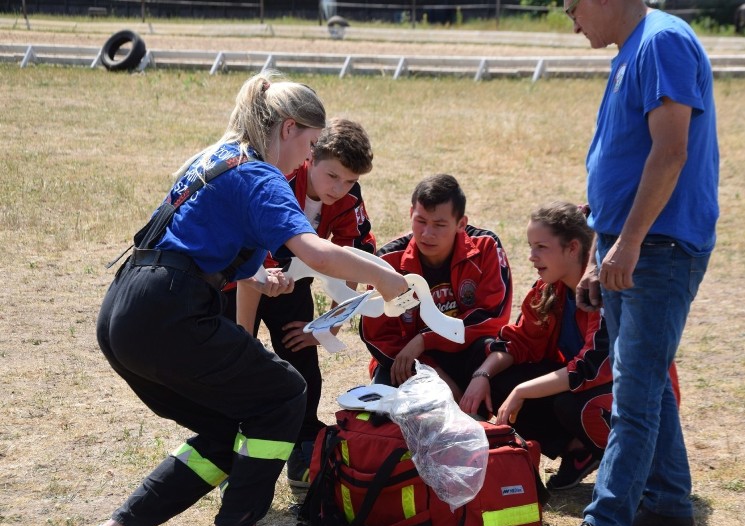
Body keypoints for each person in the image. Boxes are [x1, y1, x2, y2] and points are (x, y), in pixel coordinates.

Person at [89, 71, 407, 526]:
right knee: (284, 394)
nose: (308, 157)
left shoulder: (215, 156)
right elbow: (317, 254)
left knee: (226, 428)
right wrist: (385, 276)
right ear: (287, 128)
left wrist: (256, 273)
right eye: (309, 143)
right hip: (170, 309)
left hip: (126, 308)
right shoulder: (260, 174)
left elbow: (197, 234)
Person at [549, 2, 719, 526]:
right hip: (636, 243)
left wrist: (631, 241)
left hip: (660, 246)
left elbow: (671, 152)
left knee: (636, 392)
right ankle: (669, 505)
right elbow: (619, 162)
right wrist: (601, 248)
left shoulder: (662, 42)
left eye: (572, 7)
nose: (572, 21)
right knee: (641, 379)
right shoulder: (634, 49)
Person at [459, 202, 680, 492]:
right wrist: (482, 376)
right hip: (584, 391)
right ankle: (579, 450)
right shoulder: (551, 287)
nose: (531, 257)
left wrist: (521, 391)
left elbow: (587, 369)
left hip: (631, 399)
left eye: (541, 247)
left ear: (573, 248)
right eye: (530, 246)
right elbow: (519, 340)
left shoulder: (607, 293)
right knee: (498, 373)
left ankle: (643, 470)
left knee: (575, 403)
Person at [222, 117, 377, 491]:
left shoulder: (348, 200)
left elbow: (351, 258)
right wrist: (247, 326)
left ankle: (304, 448)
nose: (339, 189)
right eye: (332, 176)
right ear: (310, 156)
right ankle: (228, 453)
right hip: (239, 278)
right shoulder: (280, 180)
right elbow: (245, 253)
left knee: (302, 358)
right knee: (233, 364)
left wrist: (329, 326)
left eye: (350, 181)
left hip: (291, 280)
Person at [359, 173, 512, 403]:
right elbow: (378, 336)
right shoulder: (387, 263)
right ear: (411, 214)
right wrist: (431, 373)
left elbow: (493, 316)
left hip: (467, 352)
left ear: (461, 223)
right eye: (420, 221)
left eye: (440, 225)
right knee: (385, 417)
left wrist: (424, 339)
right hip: (412, 362)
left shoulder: (486, 247)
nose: (427, 234)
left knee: (500, 361)